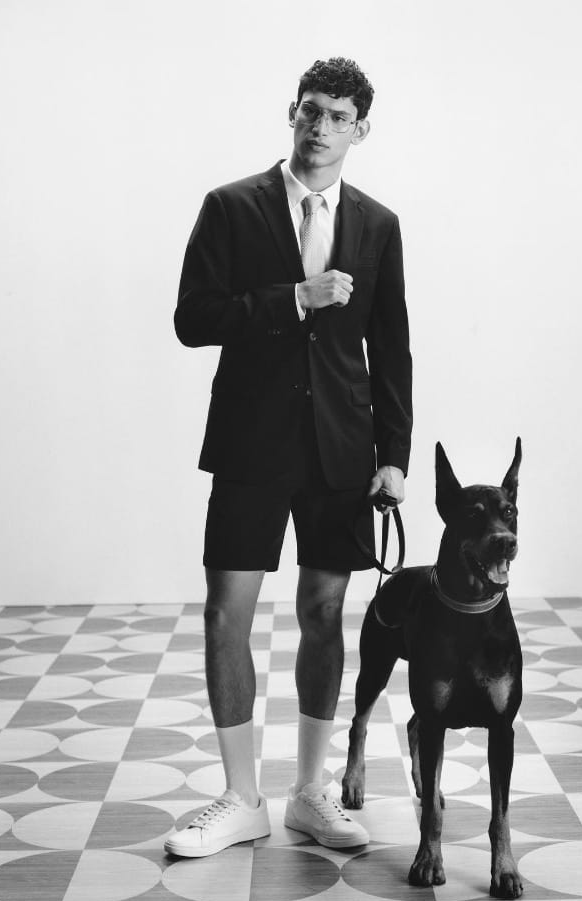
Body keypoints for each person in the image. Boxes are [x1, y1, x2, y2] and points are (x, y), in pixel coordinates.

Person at [166, 57, 412, 858]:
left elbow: (392, 348)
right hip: (250, 441)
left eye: (339, 116)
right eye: (311, 110)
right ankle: (242, 798)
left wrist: (394, 455)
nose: (321, 127)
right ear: (293, 113)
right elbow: (192, 318)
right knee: (225, 614)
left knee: (323, 614)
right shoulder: (231, 206)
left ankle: (310, 793)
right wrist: (294, 299)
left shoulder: (378, 224)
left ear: (360, 129)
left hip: (342, 449)